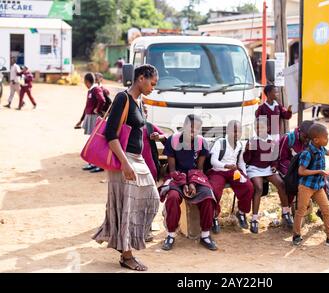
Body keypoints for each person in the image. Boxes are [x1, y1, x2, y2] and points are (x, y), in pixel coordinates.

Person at [92, 64, 160, 271]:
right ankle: (127, 255)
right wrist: (125, 163)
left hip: (135, 158)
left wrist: (149, 133)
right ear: (140, 78)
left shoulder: (138, 101)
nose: (152, 88)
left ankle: (127, 243)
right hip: (125, 159)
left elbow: (133, 130)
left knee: (152, 198)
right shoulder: (123, 98)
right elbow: (111, 135)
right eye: (152, 83)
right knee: (127, 207)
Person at [160, 114, 218, 251]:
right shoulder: (173, 140)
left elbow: (199, 169)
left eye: (198, 129)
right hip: (176, 177)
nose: (194, 131)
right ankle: (171, 234)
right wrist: (183, 184)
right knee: (173, 197)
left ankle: (205, 235)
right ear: (184, 126)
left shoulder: (201, 142)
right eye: (191, 128)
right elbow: (173, 169)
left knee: (208, 197)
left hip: (196, 177)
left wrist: (192, 183)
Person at [292, 123, 329, 247]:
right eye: (326, 137)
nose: (328, 139)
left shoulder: (321, 148)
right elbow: (301, 171)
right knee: (301, 210)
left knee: (326, 209)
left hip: (317, 186)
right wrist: (319, 172)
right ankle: (296, 235)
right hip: (306, 186)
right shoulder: (307, 153)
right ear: (316, 140)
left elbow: (328, 152)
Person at [243, 116, 292, 234]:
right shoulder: (253, 140)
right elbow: (247, 160)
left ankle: (286, 212)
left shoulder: (271, 141)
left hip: (267, 168)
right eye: (257, 127)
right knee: (258, 188)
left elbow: (274, 158)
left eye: (262, 127)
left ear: (268, 128)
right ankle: (254, 219)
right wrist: (247, 150)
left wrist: (274, 165)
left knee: (281, 184)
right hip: (254, 168)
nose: (259, 129)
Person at [207, 120, 254, 232]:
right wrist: (226, 165)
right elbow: (213, 161)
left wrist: (245, 176)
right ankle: (214, 217)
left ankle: (241, 212)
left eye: (239, 131)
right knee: (214, 190)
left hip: (233, 172)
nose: (237, 134)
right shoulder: (220, 143)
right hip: (218, 171)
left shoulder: (240, 145)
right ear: (228, 131)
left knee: (248, 187)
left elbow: (241, 162)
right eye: (234, 131)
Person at [75, 73, 106, 173]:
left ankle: (99, 164)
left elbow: (102, 100)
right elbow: (86, 107)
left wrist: (97, 109)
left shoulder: (96, 89)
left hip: (94, 117)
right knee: (92, 141)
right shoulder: (91, 90)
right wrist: (81, 119)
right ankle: (93, 162)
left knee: (96, 141)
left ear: (86, 82)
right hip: (89, 117)